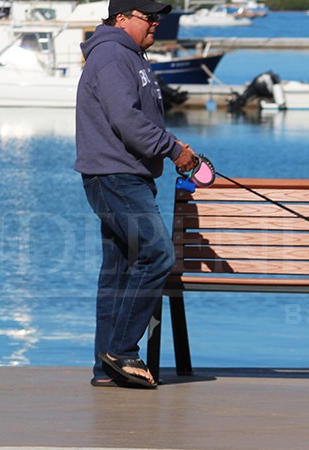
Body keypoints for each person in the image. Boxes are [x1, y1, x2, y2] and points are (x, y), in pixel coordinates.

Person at [75, 0, 197, 389]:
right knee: (158, 252)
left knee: (120, 269)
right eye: (149, 17)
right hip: (115, 177)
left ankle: (106, 368)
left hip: (126, 176)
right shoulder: (112, 55)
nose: (156, 24)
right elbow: (126, 120)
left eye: (160, 17)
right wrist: (174, 149)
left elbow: (136, 119)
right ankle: (123, 351)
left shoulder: (130, 55)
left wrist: (169, 148)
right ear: (122, 18)